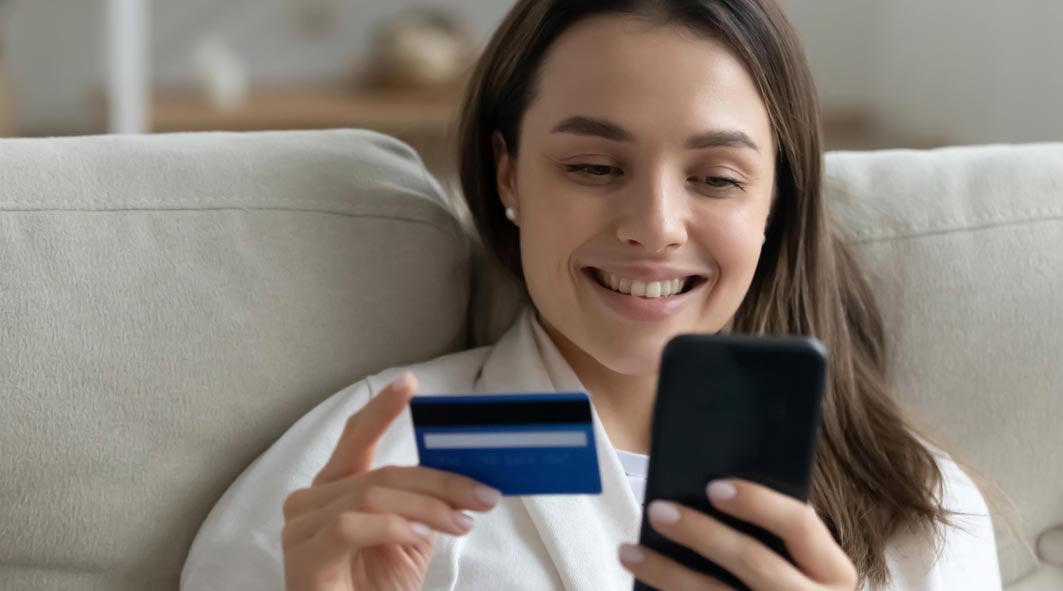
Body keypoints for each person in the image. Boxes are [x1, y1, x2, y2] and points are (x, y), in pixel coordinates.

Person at [181, 0, 1001, 589]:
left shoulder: (917, 508)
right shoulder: (365, 466)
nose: (654, 225)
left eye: (716, 178)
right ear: (508, 173)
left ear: (776, 201)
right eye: (593, 168)